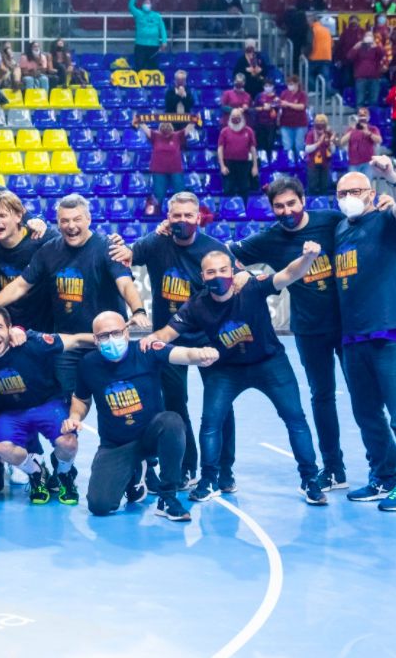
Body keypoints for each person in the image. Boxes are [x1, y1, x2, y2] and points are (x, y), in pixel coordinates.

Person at [142, 248, 329, 505]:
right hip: (226, 369)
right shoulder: (197, 304)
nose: (218, 276)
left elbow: (288, 274)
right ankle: (209, 481)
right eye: (211, 272)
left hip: (269, 363)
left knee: (295, 419)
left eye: (222, 270)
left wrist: (308, 258)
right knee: (210, 423)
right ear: (203, 276)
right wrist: (153, 339)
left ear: (233, 272)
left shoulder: (252, 288)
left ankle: (309, 479)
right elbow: (168, 332)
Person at [107, 192, 237, 489]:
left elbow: (233, 289)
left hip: (210, 339)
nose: (182, 221)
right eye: (175, 216)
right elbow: (128, 254)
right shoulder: (156, 243)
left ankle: (225, 470)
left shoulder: (214, 251)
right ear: (168, 217)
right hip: (169, 339)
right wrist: (118, 243)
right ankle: (187, 466)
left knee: (219, 408)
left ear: (198, 218)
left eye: (188, 216)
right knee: (176, 406)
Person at [229, 175, 349, 490]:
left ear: (303, 200)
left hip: (348, 324)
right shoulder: (270, 238)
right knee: (322, 397)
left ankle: (385, 470)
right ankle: (334, 468)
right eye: (279, 206)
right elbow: (224, 254)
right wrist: (247, 276)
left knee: (366, 398)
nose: (286, 211)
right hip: (309, 329)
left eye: (290, 203)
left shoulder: (330, 221)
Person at [0, 194, 150, 395]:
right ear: (58, 223)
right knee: (66, 405)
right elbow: (20, 286)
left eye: (76, 219)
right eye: (64, 220)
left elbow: (125, 285)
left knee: (118, 400)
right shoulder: (48, 250)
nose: (70, 225)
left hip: (107, 341)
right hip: (68, 343)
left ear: (88, 220)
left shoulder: (108, 247)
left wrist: (139, 311)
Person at [333, 159, 396, 511]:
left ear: (371, 194)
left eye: (355, 191)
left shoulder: (387, 219)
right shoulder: (340, 229)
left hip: (391, 332)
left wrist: (394, 179)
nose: (348, 198)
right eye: (342, 193)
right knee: (367, 413)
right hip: (354, 337)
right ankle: (383, 476)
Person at [76, 311, 221, 521]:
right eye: (103, 336)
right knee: (100, 505)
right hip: (116, 444)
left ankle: (167, 498)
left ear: (126, 333)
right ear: (96, 340)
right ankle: (136, 472)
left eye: (116, 333)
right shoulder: (88, 364)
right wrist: (74, 416)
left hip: (151, 436)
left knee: (172, 421)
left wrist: (201, 354)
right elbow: (81, 399)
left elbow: (183, 354)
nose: (111, 340)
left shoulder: (146, 350)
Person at [0, 307, 91, 504]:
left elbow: (77, 340)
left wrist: (112, 337)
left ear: (9, 328)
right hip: (10, 413)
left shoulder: (33, 342)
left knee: (68, 442)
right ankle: (37, 473)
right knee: (2, 447)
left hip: (47, 404)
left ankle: (64, 474)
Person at [0, 190, 57, 331]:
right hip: (4, 324)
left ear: (18, 216)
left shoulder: (42, 238)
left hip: (41, 324)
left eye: (2, 216)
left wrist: (40, 219)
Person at [141, 120, 193, 203]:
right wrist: (138, 119)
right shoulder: (155, 135)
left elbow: (189, 128)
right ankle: (157, 214)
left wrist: (195, 119)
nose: (166, 128)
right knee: (159, 194)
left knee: (180, 193)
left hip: (175, 170)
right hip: (159, 171)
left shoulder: (177, 135)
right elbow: (144, 127)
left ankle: (181, 212)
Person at [218, 109, 258, 202]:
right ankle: (228, 210)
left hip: (244, 164)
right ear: (230, 117)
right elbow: (220, 149)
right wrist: (222, 166)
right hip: (229, 163)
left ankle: (243, 211)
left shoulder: (249, 131)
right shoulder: (225, 131)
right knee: (228, 188)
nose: (235, 118)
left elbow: (253, 149)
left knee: (244, 188)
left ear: (242, 117)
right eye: (233, 116)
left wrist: (255, 167)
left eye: (238, 116)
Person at [128, 0, 167, 71]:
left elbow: (162, 29)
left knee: (153, 68)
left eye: (148, 3)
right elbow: (130, 6)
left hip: (154, 46)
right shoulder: (138, 13)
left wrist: (164, 41)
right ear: (142, 5)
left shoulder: (157, 15)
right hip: (140, 46)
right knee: (139, 67)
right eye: (145, 3)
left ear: (151, 5)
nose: (147, 4)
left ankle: (152, 84)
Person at [339, 107, 383, 179]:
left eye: (364, 115)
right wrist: (353, 130)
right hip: (353, 163)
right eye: (360, 115)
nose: (362, 117)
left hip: (367, 163)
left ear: (368, 117)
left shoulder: (372, 129)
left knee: (366, 186)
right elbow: (342, 142)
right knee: (353, 187)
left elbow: (379, 140)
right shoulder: (351, 129)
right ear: (357, 117)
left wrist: (368, 133)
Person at [349, 32, 386, 109]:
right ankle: (360, 117)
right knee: (360, 100)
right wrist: (355, 47)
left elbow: (383, 55)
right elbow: (349, 57)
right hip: (361, 77)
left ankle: (373, 117)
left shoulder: (376, 47)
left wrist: (377, 47)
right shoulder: (359, 47)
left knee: (374, 100)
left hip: (374, 77)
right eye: (367, 36)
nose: (368, 37)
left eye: (370, 36)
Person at [303, 114, 337, 196]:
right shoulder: (311, 134)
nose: (320, 124)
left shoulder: (329, 134)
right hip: (312, 164)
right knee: (312, 186)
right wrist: (318, 143)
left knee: (324, 186)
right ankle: (311, 205)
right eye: (318, 122)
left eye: (322, 122)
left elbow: (333, 151)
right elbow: (307, 149)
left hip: (325, 164)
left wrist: (332, 142)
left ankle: (323, 206)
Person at [277, 74, 308, 158]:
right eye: (288, 84)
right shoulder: (284, 93)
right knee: (287, 146)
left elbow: (302, 106)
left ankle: (300, 163)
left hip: (300, 124)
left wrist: (288, 104)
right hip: (286, 123)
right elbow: (280, 105)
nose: (289, 86)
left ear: (296, 84)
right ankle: (288, 163)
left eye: (291, 84)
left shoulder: (302, 94)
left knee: (299, 146)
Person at [335, 16, 365, 92]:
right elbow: (339, 47)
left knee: (358, 80)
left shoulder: (362, 32)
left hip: (359, 61)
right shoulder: (345, 33)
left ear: (358, 22)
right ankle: (345, 96)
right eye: (352, 21)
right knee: (346, 79)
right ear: (349, 22)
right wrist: (338, 59)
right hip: (346, 60)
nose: (354, 23)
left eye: (355, 21)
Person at [253, 80, 280, 161]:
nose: (268, 87)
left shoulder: (276, 98)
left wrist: (271, 107)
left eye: (270, 86)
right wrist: (262, 108)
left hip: (271, 125)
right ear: (263, 87)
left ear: (273, 87)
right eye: (266, 86)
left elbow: (278, 109)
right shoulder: (259, 96)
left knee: (270, 143)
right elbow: (254, 108)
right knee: (260, 143)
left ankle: (270, 160)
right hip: (260, 123)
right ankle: (260, 161)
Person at [307, 15, 333, 93]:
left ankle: (318, 90)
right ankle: (327, 94)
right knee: (326, 77)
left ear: (312, 21)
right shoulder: (326, 30)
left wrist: (306, 54)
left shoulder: (312, 30)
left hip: (315, 56)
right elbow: (332, 44)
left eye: (308, 21)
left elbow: (309, 43)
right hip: (327, 57)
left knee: (307, 75)